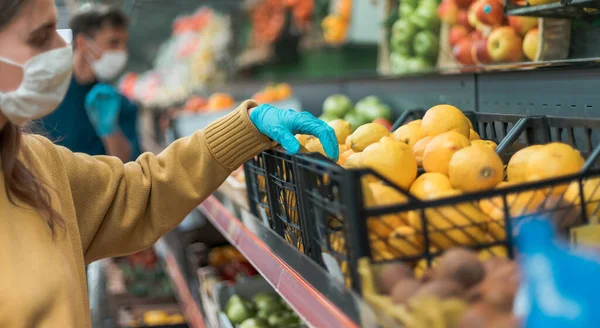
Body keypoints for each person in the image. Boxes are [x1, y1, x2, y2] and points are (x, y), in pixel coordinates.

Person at [0, 0, 337, 327]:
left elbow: (139, 191)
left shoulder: (33, 165)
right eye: (40, 36)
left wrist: (247, 126)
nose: (60, 49)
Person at [40, 4, 141, 162]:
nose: (122, 51)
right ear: (82, 43)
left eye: (124, 43)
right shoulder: (44, 94)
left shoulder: (118, 102)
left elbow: (129, 166)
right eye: (114, 42)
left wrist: (110, 131)